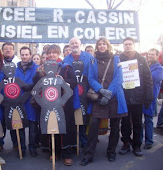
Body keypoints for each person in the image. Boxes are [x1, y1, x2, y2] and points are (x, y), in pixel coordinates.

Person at [80, 37, 128, 166]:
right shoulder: (93, 60)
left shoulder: (116, 59)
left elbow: (119, 79)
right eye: (99, 44)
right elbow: (90, 78)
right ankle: (89, 154)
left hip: (115, 98)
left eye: (104, 44)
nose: (101, 46)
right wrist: (101, 90)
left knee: (115, 126)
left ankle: (111, 151)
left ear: (108, 45)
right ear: (97, 47)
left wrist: (109, 93)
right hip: (99, 96)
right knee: (93, 126)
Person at [33, 44, 78, 166]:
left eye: (54, 53)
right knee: (51, 125)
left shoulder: (66, 68)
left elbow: (74, 83)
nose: (52, 55)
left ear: (59, 54)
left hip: (63, 103)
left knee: (65, 127)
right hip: (48, 103)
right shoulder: (41, 69)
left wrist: (62, 80)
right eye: (49, 53)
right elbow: (35, 83)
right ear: (46, 55)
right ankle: (54, 151)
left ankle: (67, 154)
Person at [119, 37, 153, 157]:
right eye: (126, 44)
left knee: (138, 122)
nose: (128, 46)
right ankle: (126, 143)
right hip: (124, 96)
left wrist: (149, 97)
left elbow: (148, 79)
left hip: (138, 97)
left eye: (130, 44)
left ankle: (137, 145)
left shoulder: (141, 59)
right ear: (123, 46)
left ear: (133, 45)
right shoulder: (118, 59)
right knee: (125, 122)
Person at [63, 37, 92, 149]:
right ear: (69, 46)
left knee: (84, 116)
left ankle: (84, 141)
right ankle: (75, 142)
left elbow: (92, 74)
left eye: (76, 43)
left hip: (85, 92)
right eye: (72, 43)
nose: (74, 45)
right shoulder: (66, 59)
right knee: (73, 117)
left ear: (80, 44)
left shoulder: (89, 57)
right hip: (72, 92)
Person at [14, 46, 39, 157]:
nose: (24, 56)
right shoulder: (16, 69)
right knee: (20, 126)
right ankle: (22, 148)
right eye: (22, 54)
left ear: (30, 55)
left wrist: (31, 86)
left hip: (32, 100)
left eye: (26, 54)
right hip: (19, 100)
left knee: (33, 126)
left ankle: (32, 147)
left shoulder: (37, 68)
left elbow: (40, 82)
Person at [141, 48, 163, 149]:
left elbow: (151, 79)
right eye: (149, 54)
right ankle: (139, 139)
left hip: (150, 97)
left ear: (158, 56)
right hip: (141, 96)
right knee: (140, 120)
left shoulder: (159, 69)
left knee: (148, 119)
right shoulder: (147, 65)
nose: (150, 56)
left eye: (153, 54)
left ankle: (149, 141)